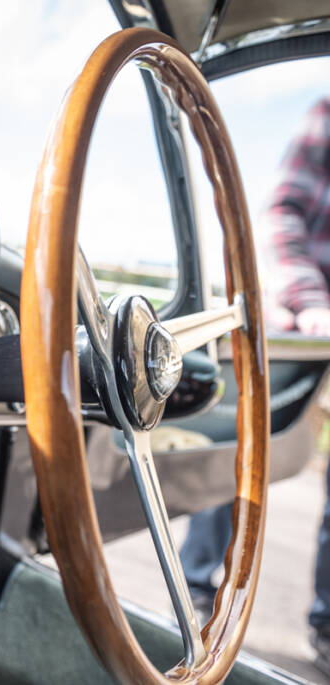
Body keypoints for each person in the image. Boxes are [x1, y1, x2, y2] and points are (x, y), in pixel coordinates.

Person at [180, 96, 330, 676]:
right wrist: (313, 303)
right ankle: (196, 592)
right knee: (239, 453)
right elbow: (281, 214)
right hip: (298, 321)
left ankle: (325, 628)